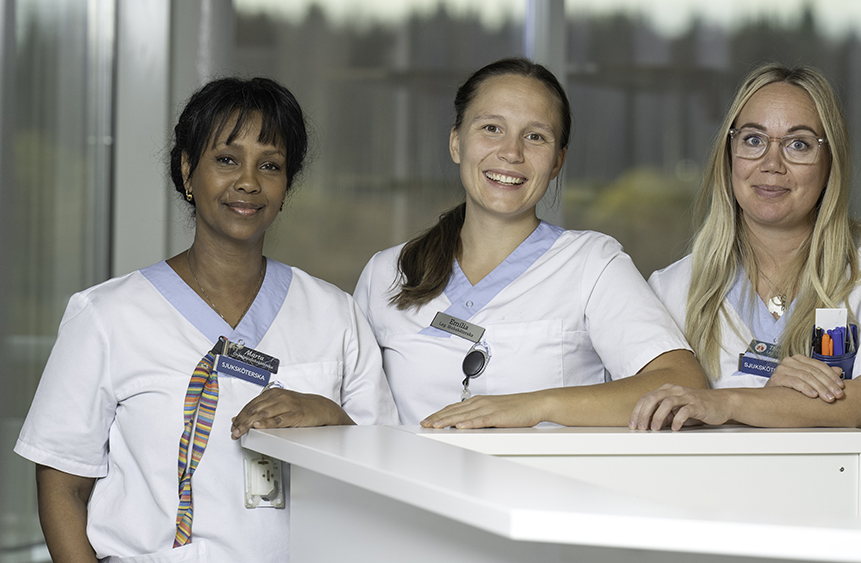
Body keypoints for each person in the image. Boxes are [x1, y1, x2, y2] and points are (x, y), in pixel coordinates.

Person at [15, 77, 398, 562]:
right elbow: (62, 486)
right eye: (226, 159)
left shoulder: (335, 314)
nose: (249, 181)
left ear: (286, 186)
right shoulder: (106, 316)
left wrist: (330, 418)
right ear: (187, 170)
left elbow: (388, 474)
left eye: (271, 165)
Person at [632, 63, 861, 516]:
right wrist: (776, 399)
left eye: (799, 144)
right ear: (729, 154)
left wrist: (723, 402)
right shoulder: (671, 289)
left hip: (847, 535)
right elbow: (650, 418)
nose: (771, 163)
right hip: (714, 530)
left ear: (830, 162)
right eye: (753, 139)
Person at [354, 57, 706, 429]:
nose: (511, 152)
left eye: (535, 136)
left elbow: (683, 385)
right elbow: (353, 413)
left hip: (546, 487)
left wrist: (535, 407)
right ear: (456, 142)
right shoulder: (387, 273)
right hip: (410, 485)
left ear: (558, 162)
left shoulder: (592, 263)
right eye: (491, 128)